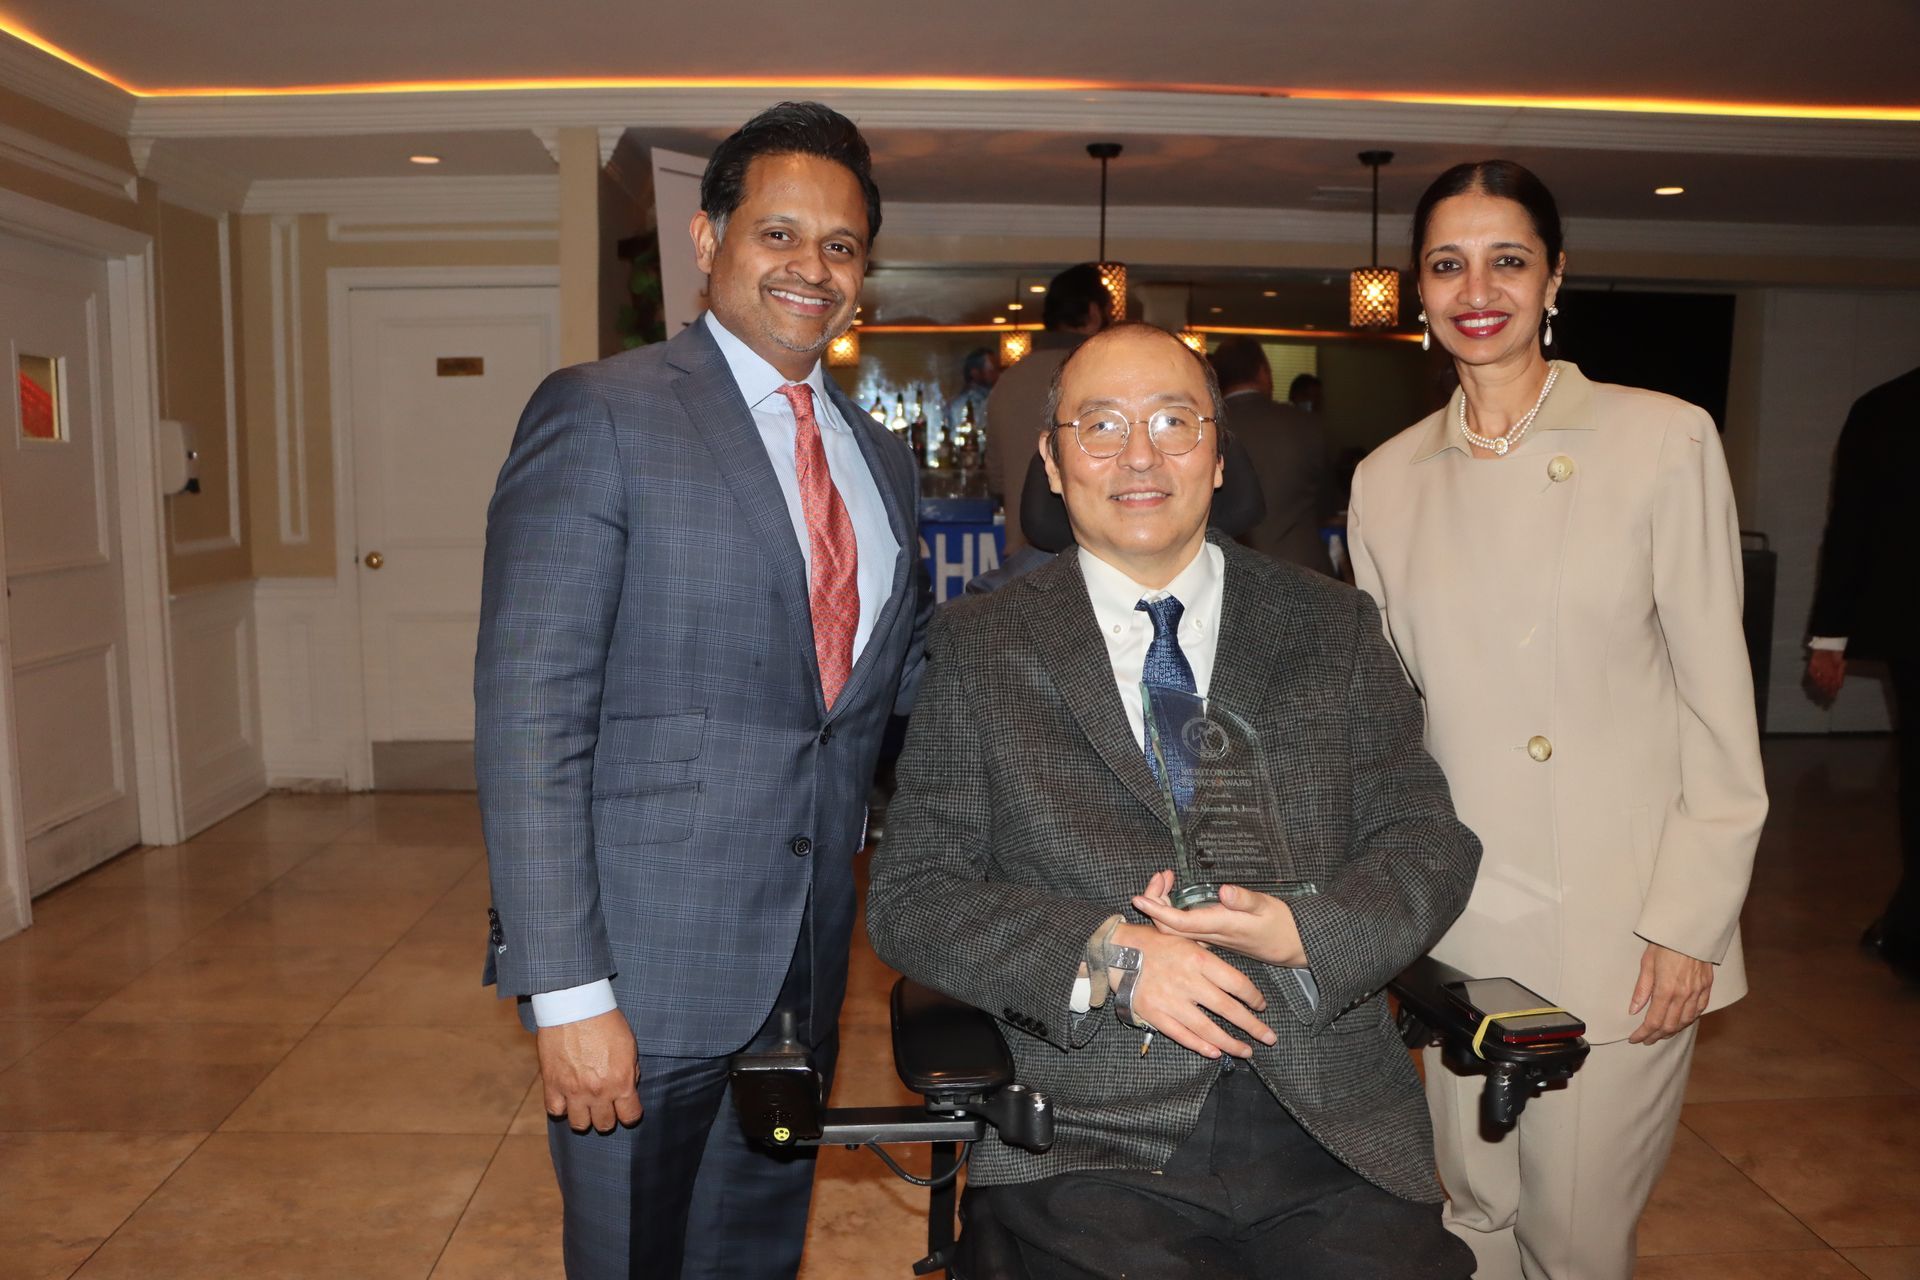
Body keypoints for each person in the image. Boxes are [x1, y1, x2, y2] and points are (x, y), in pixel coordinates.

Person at [869, 322, 1480, 1280]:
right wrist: (1109, 954)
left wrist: (1306, 932)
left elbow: (1428, 838)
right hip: (1087, 1132)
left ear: (1218, 449)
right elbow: (913, 894)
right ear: (1054, 460)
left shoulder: (1335, 626)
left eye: (1173, 421)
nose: (1140, 456)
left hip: (1329, 1125)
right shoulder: (983, 647)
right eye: (1101, 426)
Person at [474, 101, 929, 1280]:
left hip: (807, 970)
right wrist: (566, 991)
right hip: (641, 972)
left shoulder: (880, 458)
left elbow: (891, 684)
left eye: (839, 246)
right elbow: (533, 718)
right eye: (779, 234)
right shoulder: (602, 412)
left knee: (754, 1253)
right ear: (707, 238)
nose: (810, 268)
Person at [1347, 159, 1768, 1280]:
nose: (1475, 287)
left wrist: (1691, 919)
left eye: (1507, 259)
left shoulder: (1662, 440)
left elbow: (1719, 706)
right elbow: (1393, 721)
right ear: (1419, 288)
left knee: (1574, 1240)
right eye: (1446, 263)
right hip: (1461, 921)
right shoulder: (1386, 480)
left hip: (1619, 929)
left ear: (1554, 278)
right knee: (1470, 1219)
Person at [1806, 365, 1920, 983]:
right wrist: (1830, 633)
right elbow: (1853, 524)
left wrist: (1830, 635)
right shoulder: (1888, 407)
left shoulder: (1887, 404)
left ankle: (1909, 934)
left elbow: (1850, 527)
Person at [982, 263, 1110, 553]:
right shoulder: (1106, 375)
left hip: (1024, 558)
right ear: (1093, 313)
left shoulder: (1010, 379)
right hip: (1095, 559)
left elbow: (996, 477)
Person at [1209, 336, 1335, 575]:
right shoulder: (1306, 424)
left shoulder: (1210, 428)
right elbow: (1328, 505)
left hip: (1226, 572)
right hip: (1303, 571)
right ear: (1263, 372)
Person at [946, 345, 999, 445]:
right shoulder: (960, 404)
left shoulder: (995, 399)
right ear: (975, 373)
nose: (997, 375)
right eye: (991, 371)